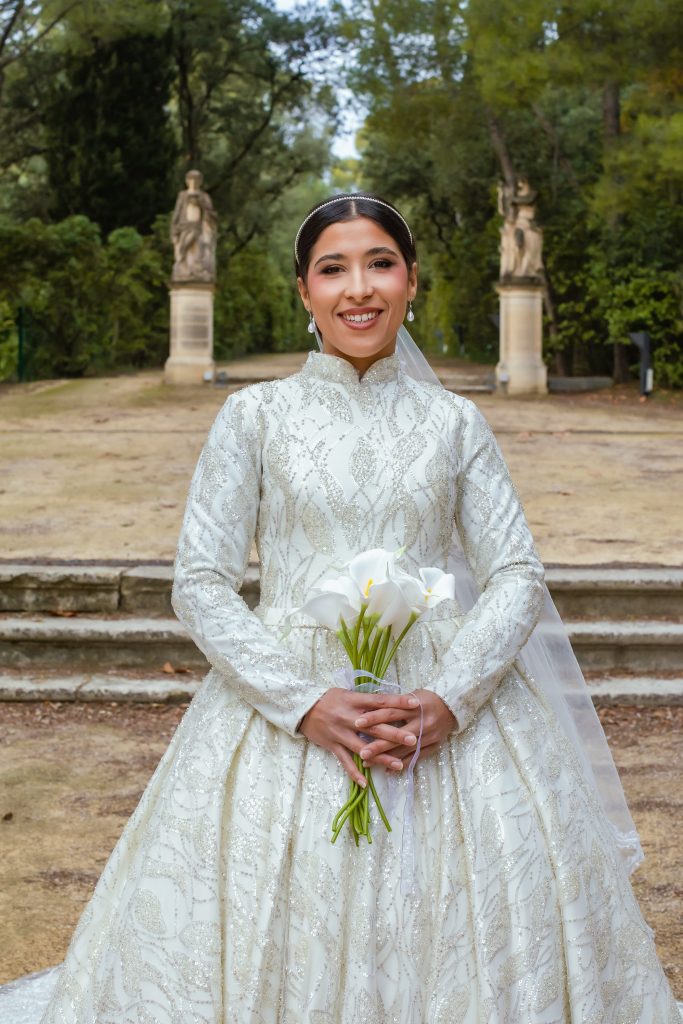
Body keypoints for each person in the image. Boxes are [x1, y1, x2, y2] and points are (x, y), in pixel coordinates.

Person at [13, 194, 680, 1022]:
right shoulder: (253, 417)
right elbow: (201, 580)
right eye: (332, 268)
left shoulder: (455, 421)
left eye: (379, 264)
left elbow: (514, 571)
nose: (357, 288)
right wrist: (303, 703)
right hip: (286, 709)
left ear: (410, 283)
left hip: (438, 713)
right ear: (303, 290)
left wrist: (449, 700)